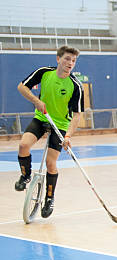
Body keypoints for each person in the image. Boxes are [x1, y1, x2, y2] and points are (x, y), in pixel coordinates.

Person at [15, 45, 84, 218]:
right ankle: (25, 176)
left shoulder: (75, 86)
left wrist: (68, 136)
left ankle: (49, 198)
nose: (70, 63)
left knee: (50, 163)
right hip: (41, 118)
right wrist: (36, 101)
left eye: (73, 61)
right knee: (23, 145)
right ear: (58, 59)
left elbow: (76, 116)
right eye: (67, 59)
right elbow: (22, 87)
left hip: (60, 125)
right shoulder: (44, 72)